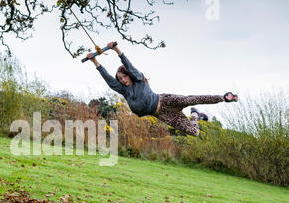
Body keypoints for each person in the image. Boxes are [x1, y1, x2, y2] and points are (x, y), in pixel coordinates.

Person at [87, 42, 238, 136]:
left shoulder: (139, 79)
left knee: (191, 99)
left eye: (124, 77)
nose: (123, 80)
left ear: (129, 75)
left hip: (166, 101)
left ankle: (223, 98)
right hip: (162, 114)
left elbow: (129, 66)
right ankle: (194, 115)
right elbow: (110, 81)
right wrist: (95, 61)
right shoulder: (124, 91)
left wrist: (117, 50)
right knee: (194, 132)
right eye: (120, 79)